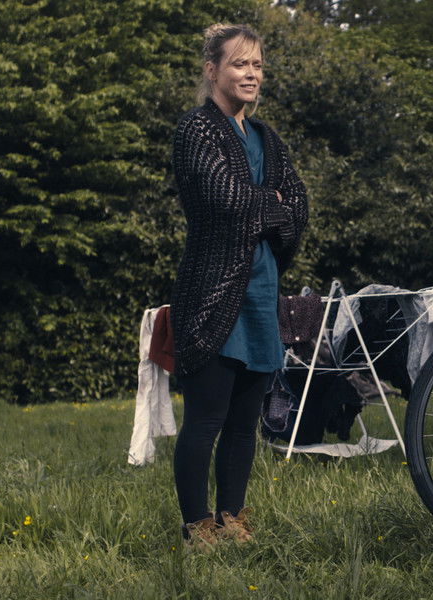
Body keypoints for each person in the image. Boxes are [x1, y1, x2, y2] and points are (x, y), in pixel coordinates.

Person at [170, 23, 308, 549]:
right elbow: (223, 199)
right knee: (206, 420)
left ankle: (232, 520)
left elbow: (299, 205)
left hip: (261, 294)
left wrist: (268, 207)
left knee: (244, 424)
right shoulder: (197, 129)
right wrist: (271, 203)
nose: (251, 74)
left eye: (257, 65)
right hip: (212, 293)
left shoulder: (267, 138)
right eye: (239, 64)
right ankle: (196, 527)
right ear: (213, 70)